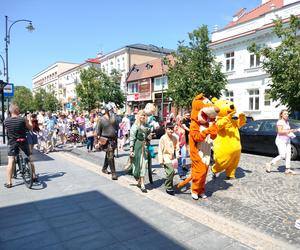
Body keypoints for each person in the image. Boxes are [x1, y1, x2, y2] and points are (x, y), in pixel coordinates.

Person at [4, 103, 38, 188]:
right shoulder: (22, 119)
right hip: (23, 141)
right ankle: (33, 176)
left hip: (13, 142)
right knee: (30, 157)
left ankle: (9, 182)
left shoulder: (6, 121)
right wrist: (29, 118)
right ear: (17, 111)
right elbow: (30, 128)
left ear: (10, 111)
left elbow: (7, 131)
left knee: (11, 160)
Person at [266, 110, 297, 175]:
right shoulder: (280, 122)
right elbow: (280, 132)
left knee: (288, 155)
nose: (287, 115)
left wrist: (293, 131)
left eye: (287, 114)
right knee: (282, 155)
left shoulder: (287, 122)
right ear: (281, 115)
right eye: (285, 114)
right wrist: (290, 130)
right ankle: (269, 164)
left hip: (287, 140)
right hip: (280, 141)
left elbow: (287, 131)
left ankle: (287, 169)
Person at [129, 110, 151, 193]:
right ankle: (138, 180)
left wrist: (149, 137)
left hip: (145, 147)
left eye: (144, 115)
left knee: (143, 165)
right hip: (137, 147)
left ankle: (142, 184)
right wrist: (131, 150)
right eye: (141, 115)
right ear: (138, 116)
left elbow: (149, 135)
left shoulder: (147, 125)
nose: (143, 117)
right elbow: (132, 138)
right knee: (136, 166)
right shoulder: (135, 126)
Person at [97, 104, 118, 180]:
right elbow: (98, 131)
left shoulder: (114, 118)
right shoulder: (101, 119)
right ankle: (114, 173)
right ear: (106, 110)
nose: (111, 111)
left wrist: (117, 139)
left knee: (108, 154)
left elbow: (117, 128)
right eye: (110, 110)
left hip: (113, 140)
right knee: (110, 155)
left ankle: (104, 168)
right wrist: (97, 142)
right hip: (106, 140)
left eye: (111, 110)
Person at [158, 122, 180, 195]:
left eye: (172, 129)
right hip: (165, 156)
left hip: (172, 157)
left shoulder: (175, 138)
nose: (171, 131)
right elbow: (160, 150)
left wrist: (177, 155)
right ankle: (168, 187)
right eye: (169, 129)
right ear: (166, 129)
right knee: (170, 171)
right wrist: (161, 160)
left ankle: (168, 183)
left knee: (172, 172)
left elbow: (177, 147)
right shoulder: (163, 138)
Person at [174, 115, 187, 180]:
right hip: (177, 145)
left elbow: (184, 135)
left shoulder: (183, 126)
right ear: (177, 120)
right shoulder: (175, 127)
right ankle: (180, 173)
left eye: (182, 120)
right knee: (178, 159)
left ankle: (181, 168)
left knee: (184, 157)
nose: (181, 121)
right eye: (180, 120)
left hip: (183, 144)